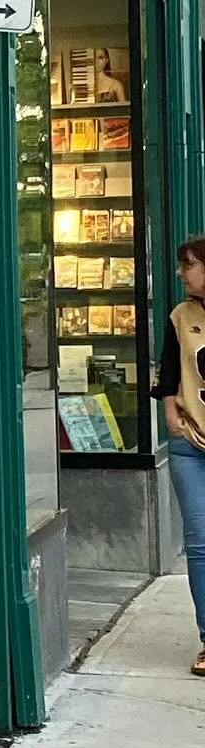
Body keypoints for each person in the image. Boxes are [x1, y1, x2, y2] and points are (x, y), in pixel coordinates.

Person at [151, 236, 205, 677]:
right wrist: (171, 417)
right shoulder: (180, 316)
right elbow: (168, 371)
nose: (181, 272)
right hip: (190, 441)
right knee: (201, 544)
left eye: (188, 264)